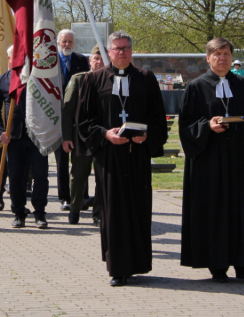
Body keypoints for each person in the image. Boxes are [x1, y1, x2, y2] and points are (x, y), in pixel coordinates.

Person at [77, 31, 167, 287]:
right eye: (117, 48)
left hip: (137, 155)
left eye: (126, 48)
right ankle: (117, 268)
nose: (122, 52)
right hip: (109, 157)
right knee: (113, 211)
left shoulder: (146, 79)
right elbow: (83, 120)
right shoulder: (94, 80)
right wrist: (105, 133)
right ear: (108, 52)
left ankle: (137, 264)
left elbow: (158, 117)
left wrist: (146, 135)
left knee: (138, 208)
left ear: (132, 51)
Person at [179, 37, 244, 284]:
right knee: (215, 211)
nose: (222, 58)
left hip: (241, 159)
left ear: (232, 58)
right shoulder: (196, 87)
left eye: (226, 54)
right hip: (210, 161)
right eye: (217, 54)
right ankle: (217, 266)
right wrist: (207, 126)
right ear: (208, 58)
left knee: (243, 211)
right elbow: (186, 125)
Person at [0, 45, 50, 229]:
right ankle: (18, 213)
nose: (21, 62)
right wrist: (1, 131)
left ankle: (39, 213)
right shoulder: (3, 80)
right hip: (14, 138)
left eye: (24, 59)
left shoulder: (39, 79)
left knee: (40, 176)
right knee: (16, 177)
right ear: (9, 60)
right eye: (16, 58)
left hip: (37, 137)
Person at [61, 44, 104, 225]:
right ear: (90, 61)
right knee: (78, 176)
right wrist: (66, 137)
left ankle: (99, 214)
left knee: (102, 177)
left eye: (102, 58)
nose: (99, 62)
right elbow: (67, 109)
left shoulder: (111, 80)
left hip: (103, 137)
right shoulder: (79, 80)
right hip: (81, 136)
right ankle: (75, 209)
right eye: (96, 58)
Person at [55, 28, 89, 211]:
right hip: (57, 117)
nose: (67, 44)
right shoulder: (50, 62)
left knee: (81, 159)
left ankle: (82, 196)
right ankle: (65, 198)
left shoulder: (82, 61)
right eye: (64, 41)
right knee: (61, 160)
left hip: (77, 117)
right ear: (58, 42)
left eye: (70, 42)